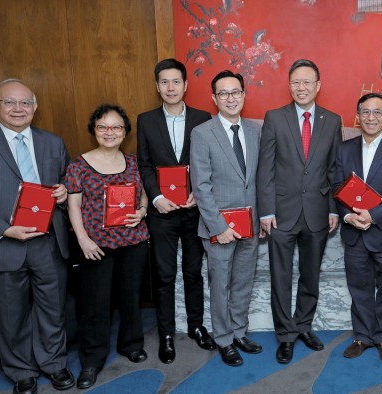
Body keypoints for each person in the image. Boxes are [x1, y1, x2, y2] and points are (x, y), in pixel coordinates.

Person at [0, 79, 75, 394]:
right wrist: (3, 228)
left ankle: (54, 363)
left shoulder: (53, 142)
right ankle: (21, 370)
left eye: (25, 103)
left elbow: (66, 183)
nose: (18, 109)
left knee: (53, 308)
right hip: (4, 244)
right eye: (9, 102)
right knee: (11, 314)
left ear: (35, 107)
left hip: (48, 241)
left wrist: (64, 192)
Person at [256, 59, 343, 364]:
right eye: (295, 82)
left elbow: (334, 169)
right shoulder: (275, 118)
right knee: (281, 276)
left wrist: (333, 208)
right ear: (289, 85)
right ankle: (285, 335)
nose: (301, 88)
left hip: (318, 212)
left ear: (318, 85)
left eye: (307, 82)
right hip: (281, 212)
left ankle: (303, 325)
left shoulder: (332, 121)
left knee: (310, 275)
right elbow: (265, 168)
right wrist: (265, 211)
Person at [65, 104, 150, 389]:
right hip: (95, 245)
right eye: (103, 126)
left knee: (130, 297)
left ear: (125, 132)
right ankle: (91, 361)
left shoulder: (134, 162)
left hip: (133, 241)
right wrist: (83, 240)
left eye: (116, 127)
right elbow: (73, 205)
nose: (109, 132)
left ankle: (131, 344)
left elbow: (144, 196)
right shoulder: (79, 165)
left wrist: (141, 211)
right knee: (95, 305)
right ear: (94, 130)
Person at [137, 58, 214, 364]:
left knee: (194, 273)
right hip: (162, 212)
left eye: (176, 81)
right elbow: (144, 164)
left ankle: (196, 326)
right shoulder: (146, 120)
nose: (171, 87)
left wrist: (200, 193)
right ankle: (166, 334)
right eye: (164, 82)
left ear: (186, 85)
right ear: (158, 86)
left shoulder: (202, 117)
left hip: (194, 210)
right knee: (165, 275)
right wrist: (155, 197)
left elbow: (206, 162)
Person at [333, 93, 382, 364]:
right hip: (354, 233)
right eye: (365, 112)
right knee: (359, 288)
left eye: (377, 112)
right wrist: (348, 217)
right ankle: (362, 337)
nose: (371, 117)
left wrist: (373, 215)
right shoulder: (344, 149)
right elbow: (337, 188)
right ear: (358, 117)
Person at [190, 70, 262, 367]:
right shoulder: (202, 133)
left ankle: (239, 331)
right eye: (224, 93)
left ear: (244, 95)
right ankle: (223, 339)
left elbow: (258, 180)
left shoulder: (256, 130)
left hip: (251, 223)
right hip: (219, 227)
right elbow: (201, 185)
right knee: (219, 284)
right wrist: (218, 226)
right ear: (214, 98)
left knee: (243, 281)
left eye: (236, 92)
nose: (231, 98)